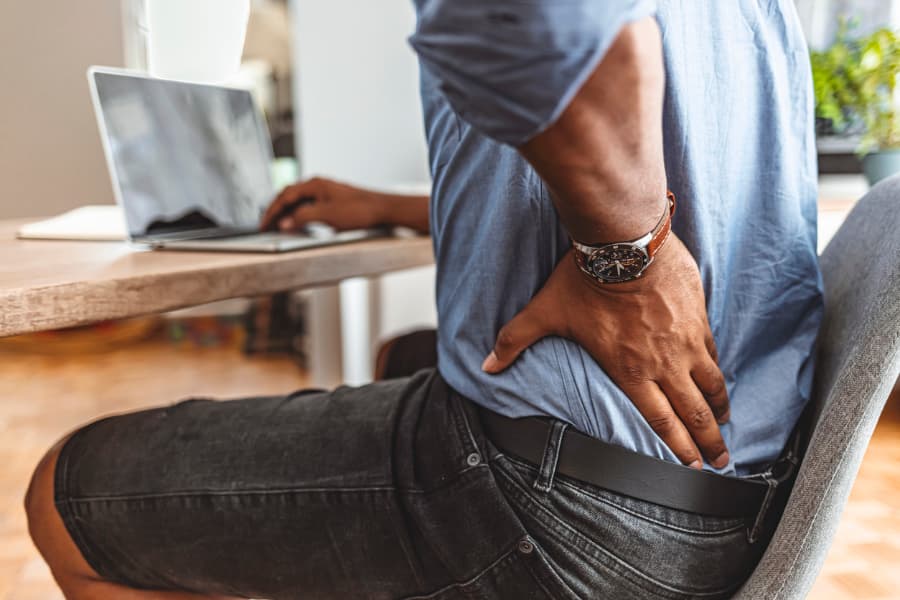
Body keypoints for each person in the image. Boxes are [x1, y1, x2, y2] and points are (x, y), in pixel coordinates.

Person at [25, 1, 823, 598]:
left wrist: (629, 261)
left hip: (565, 507)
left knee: (67, 496)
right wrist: (395, 206)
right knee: (400, 357)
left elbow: (529, 22)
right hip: (731, 489)